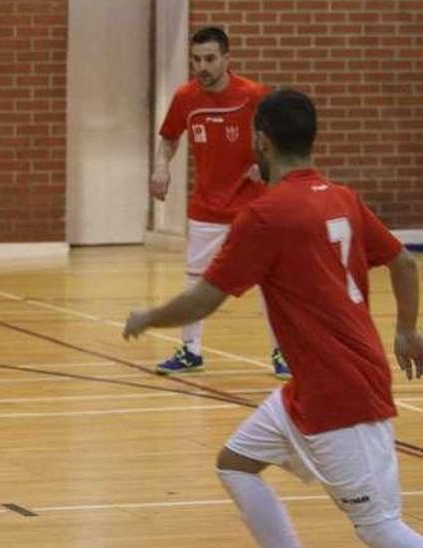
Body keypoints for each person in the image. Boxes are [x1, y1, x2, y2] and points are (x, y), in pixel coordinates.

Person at [124, 89, 423, 547]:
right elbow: (403, 262)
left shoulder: (265, 216)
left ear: (261, 142)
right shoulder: (341, 197)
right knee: (235, 464)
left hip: (343, 397)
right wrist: (405, 330)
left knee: (379, 527)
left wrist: (148, 316)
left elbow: (203, 300)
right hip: (306, 391)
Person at [151, 26, 287, 378]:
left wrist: (266, 166)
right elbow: (168, 138)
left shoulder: (254, 95)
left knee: (270, 282)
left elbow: (281, 141)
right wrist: (161, 168)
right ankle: (190, 351)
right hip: (206, 209)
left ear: (227, 59)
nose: (202, 66)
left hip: (253, 208)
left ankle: (283, 353)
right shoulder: (185, 98)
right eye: (196, 59)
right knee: (196, 283)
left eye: (210, 59)